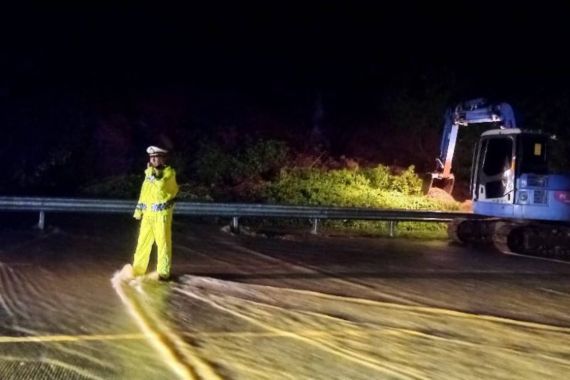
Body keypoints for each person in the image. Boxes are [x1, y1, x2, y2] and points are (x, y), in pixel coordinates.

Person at [132, 145, 179, 281]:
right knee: (142, 243)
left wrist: (152, 175)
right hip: (148, 215)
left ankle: (163, 274)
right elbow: (144, 193)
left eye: (155, 158)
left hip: (161, 216)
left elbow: (161, 189)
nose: (152, 160)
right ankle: (137, 273)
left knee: (163, 244)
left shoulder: (169, 173)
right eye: (151, 158)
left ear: (163, 159)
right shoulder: (149, 174)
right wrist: (138, 210)